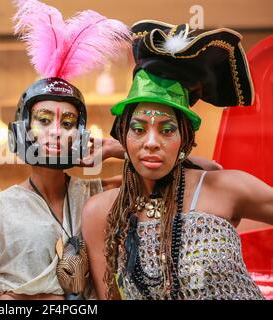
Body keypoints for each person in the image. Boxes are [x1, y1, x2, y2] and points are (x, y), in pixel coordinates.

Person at [82, 20, 273, 300]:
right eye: (138, 129)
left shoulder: (224, 187)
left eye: (167, 130)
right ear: (123, 134)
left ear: (184, 137)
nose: (151, 141)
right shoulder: (101, 212)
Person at [0, 0, 132, 300]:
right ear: (23, 126)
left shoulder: (99, 194)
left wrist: (114, 147)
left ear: (80, 133)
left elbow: (189, 173)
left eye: (68, 122)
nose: (56, 131)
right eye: (43, 120)